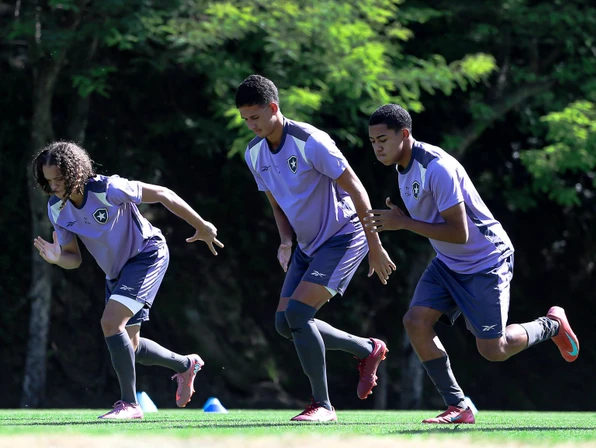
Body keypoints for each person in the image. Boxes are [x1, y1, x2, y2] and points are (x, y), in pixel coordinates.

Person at [364, 104, 580, 424]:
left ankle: (551, 325)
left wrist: (404, 223)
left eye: (383, 139)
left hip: (486, 261)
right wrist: (403, 221)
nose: (377, 148)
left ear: (404, 134)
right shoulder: (403, 168)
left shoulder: (436, 168)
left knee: (494, 349)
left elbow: (459, 232)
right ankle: (458, 406)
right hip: (448, 263)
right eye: (373, 142)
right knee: (415, 321)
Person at [235, 75, 396, 422]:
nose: (251, 125)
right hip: (307, 245)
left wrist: (375, 244)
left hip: (344, 236)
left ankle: (323, 406)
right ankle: (367, 349)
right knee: (284, 323)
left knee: (297, 315)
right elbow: (276, 203)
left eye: (256, 117)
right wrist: (285, 241)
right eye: (245, 119)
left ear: (273, 108)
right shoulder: (253, 153)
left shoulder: (311, 141)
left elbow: (356, 188)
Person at [32, 141, 223, 419]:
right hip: (117, 272)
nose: (54, 186)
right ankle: (185, 365)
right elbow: (74, 258)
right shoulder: (57, 209)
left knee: (110, 323)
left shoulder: (109, 188)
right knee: (130, 347)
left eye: (59, 178)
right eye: (49, 181)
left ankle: (129, 404)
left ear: (77, 171)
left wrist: (201, 225)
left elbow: (163, 194)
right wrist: (58, 257)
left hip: (147, 255)